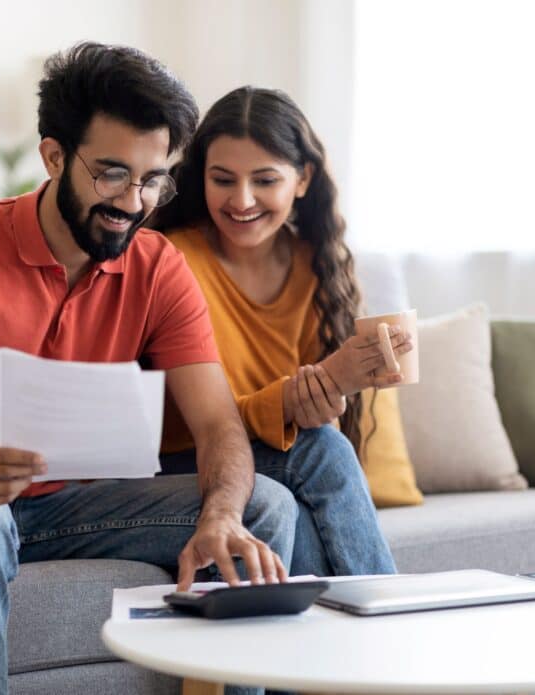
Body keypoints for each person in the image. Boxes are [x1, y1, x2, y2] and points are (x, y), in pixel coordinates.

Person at [0, 46, 297, 695]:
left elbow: (219, 425)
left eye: (153, 178)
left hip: (61, 508)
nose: (133, 201)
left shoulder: (158, 266)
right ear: (54, 157)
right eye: (112, 173)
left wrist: (220, 512)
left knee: (265, 507)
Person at [155, 86, 412, 577]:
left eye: (265, 180)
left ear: (302, 179)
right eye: (223, 179)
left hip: (279, 462)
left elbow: (309, 431)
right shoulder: (173, 259)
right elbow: (200, 423)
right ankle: (387, 615)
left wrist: (322, 401)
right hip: (188, 461)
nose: (242, 200)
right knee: (321, 451)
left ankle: (324, 643)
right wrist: (295, 404)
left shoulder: (313, 265)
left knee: (309, 482)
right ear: (200, 178)